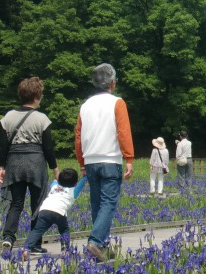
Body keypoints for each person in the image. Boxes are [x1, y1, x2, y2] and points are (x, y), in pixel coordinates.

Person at [75, 63, 134, 262]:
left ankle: (102, 247)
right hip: (110, 159)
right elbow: (123, 131)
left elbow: (78, 136)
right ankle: (95, 242)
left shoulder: (85, 105)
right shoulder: (117, 103)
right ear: (112, 82)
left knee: (97, 203)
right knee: (108, 202)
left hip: (91, 161)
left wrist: (81, 161)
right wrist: (129, 158)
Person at [0, 77, 57, 250]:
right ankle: (35, 244)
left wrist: (1, 166)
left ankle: (8, 236)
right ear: (37, 96)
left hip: (14, 162)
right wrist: (54, 167)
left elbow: (2, 145)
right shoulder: (42, 119)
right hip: (35, 162)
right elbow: (48, 147)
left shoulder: (8, 117)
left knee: (16, 203)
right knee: (37, 204)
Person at [22, 168, 86, 260]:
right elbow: (82, 183)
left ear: (59, 180)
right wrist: (85, 176)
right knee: (64, 230)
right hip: (59, 212)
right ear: (75, 183)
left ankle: (26, 248)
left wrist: (56, 173)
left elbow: (55, 180)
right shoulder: (73, 191)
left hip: (45, 210)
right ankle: (65, 250)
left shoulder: (54, 186)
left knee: (37, 230)